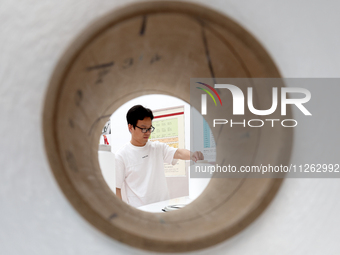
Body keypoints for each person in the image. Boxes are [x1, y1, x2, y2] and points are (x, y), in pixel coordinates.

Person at [115, 105, 204, 207]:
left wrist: (193, 155)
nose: (148, 133)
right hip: (140, 211)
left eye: (150, 128)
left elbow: (178, 153)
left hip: (163, 207)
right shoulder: (121, 156)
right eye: (143, 129)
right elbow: (117, 188)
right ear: (130, 127)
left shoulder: (157, 147)